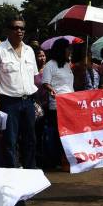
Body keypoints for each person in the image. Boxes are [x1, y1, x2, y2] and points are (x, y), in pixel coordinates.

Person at [0, 16, 38, 169]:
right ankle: (12, 173)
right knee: (10, 140)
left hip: (28, 101)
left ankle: (30, 171)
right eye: (16, 28)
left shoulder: (29, 50)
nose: (19, 31)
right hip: (9, 102)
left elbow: (33, 76)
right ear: (8, 31)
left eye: (22, 28)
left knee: (30, 139)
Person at [41, 38, 74, 169]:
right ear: (61, 50)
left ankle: (67, 159)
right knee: (58, 135)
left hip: (70, 104)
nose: (70, 51)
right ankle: (57, 161)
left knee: (68, 134)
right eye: (68, 48)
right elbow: (45, 83)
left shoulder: (67, 64)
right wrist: (52, 90)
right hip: (57, 106)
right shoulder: (50, 65)